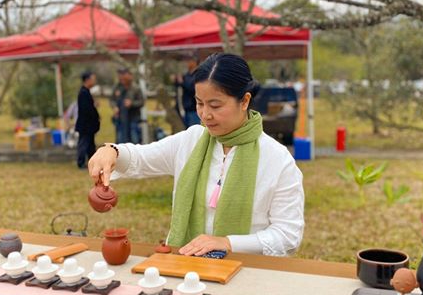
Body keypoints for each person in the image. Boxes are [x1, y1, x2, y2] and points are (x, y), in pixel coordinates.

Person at [88, 53, 304, 257]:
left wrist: (228, 243)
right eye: (200, 103)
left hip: (250, 273)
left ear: (245, 101)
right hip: (188, 267)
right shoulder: (191, 141)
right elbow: (140, 158)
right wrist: (112, 151)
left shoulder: (277, 160)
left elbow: (288, 235)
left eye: (215, 105)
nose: (205, 115)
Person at [110, 67, 144, 144]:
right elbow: (112, 100)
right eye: (120, 75)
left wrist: (132, 103)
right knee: (120, 140)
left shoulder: (136, 88)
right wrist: (114, 106)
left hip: (133, 118)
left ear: (130, 76)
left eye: (124, 74)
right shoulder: (117, 87)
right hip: (120, 119)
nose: (121, 77)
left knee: (134, 139)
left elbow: (142, 102)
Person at [75, 71, 101, 169]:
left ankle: (92, 161)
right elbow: (86, 110)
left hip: (89, 125)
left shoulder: (86, 92)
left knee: (90, 144)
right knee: (84, 143)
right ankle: (81, 162)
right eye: (93, 79)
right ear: (87, 80)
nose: (94, 81)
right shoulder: (83, 93)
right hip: (85, 125)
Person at [175, 57, 200, 128]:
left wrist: (182, 82)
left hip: (194, 109)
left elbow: (193, 88)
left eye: (189, 61)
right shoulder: (186, 75)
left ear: (195, 62)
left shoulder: (198, 74)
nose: (187, 63)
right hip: (185, 108)